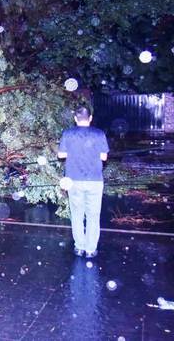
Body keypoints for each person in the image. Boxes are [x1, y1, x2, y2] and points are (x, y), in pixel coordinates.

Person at [57, 106, 109, 258]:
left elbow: (61, 155)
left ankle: (79, 247)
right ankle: (91, 249)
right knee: (93, 216)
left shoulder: (68, 133)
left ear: (75, 119)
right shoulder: (99, 134)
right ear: (90, 118)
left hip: (74, 181)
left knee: (77, 214)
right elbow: (104, 157)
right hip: (94, 181)